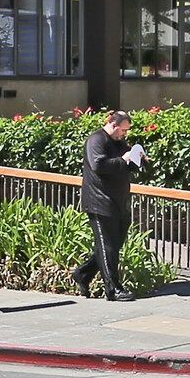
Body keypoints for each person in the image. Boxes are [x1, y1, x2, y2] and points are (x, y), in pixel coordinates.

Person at [72, 110, 142, 301]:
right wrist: (124, 159)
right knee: (108, 247)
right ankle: (113, 289)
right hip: (99, 201)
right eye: (123, 130)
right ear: (112, 124)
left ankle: (83, 274)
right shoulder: (96, 140)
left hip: (118, 202)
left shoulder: (118, 143)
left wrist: (137, 159)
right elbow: (98, 165)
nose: (124, 134)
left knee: (112, 246)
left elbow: (125, 166)